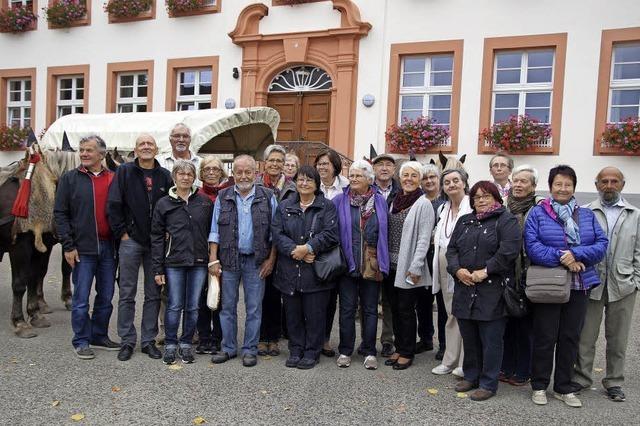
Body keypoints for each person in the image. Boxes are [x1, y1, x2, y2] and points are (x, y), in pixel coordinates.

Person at [524, 165, 607, 408]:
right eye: (558, 184)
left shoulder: (587, 215)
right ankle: (539, 385)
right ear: (550, 187)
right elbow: (532, 246)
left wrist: (575, 254)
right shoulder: (538, 214)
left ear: (573, 187)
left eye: (567, 184)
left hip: (579, 286)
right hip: (549, 285)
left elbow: (602, 244)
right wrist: (564, 258)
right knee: (544, 336)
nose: (563, 188)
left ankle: (563, 387)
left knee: (570, 337)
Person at [446, 181, 521, 401]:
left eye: (486, 196)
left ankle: (488, 383)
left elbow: (509, 250)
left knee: (491, 340)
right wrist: (457, 269)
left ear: (496, 198)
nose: (481, 200)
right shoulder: (465, 221)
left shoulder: (505, 220)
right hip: (465, 288)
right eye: (477, 197)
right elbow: (452, 250)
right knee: (469, 337)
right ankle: (472, 376)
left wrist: (486, 271)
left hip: (492, 290)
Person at [573, 167, 639, 402]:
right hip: (592, 283)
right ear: (597, 184)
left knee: (618, 338)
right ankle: (581, 378)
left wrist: (635, 281)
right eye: (604, 181)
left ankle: (614, 381)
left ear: (622, 184)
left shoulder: (635, 214)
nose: (609, 185)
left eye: (614, 181)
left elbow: (639, 252)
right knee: (586, 336)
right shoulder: (585, 212)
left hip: (623, 285)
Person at [107, 134, 173, 362]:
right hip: (131, 241)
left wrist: (167, 232)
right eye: (142, 144)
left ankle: (148, 340)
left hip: (155, 243)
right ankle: (127, 340)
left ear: (156, 149)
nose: (146, 147)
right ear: (135, 149)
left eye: (150, 144)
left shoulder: (165, 176)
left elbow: (172, 207)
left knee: (153, 293)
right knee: (126, 293)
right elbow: (113, 204)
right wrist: (122, 234)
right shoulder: (124, 172)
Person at [209, 155, 278, 368]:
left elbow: (276, 232)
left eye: (248, 171)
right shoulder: (223, 195)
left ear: (255, 173)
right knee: (227, 306)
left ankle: (250, 349)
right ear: (233, 174)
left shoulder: (268, 196)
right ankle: (228, 348)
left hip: (257, 260)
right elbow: (214, 230)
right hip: (229, 259)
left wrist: (271, 260)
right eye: (239, 172)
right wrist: (213, 259)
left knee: (254, 307)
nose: (243, 176)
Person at [54, 135, 117, 360]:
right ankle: (81, 340)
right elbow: (60, 214)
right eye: (81, 150)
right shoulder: (70, 179)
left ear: (101, 154)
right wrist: (68, 246)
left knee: (106, 295)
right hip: (82, 248)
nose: (83, 154)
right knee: (81, 299)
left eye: (89, 150)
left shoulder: (114, 178)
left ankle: (99, 335)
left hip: (109, 247)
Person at [271, 165, 339, 369]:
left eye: (309, 180)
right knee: (292, 314)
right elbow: (277, 233)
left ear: (316, 184)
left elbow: (331, 234)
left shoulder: (326, 206)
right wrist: (295, 250)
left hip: (315, 271)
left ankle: (312, 351)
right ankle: (296, 349)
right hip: (289, 269)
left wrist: (309, 247)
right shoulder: (284, 206)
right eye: (300, 179)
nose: (304, 183)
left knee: (315, 315)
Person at [151, 160, 213, 364]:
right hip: (174, 261)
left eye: (189, 174)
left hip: (199, 261)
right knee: (174, 304)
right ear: (174, 177)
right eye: (181, 174)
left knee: (193, 306)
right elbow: (157, 237)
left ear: (194, 177)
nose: (185, 177)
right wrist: (158, 268)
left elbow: (212, 232)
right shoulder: (164, 203)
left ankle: (186, 343)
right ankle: (170, 344)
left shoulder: (204, 202)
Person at [333, 159, 389, 370]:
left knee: (370, 309)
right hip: (347, 262)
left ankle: (369, 351)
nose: (354, 179)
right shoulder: (340, 200)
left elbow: (385, 232)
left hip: (371, 262)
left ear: (369, 179)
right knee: (347, 309)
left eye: (359, 176)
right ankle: (346, 350)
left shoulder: (380, 201)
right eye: (352, 175)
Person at [383, 161, 434, 370]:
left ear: (420, 179)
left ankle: (407, 351)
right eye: (406, 175)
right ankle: (399, 347)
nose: (409, 179)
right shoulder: (394, 199)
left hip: (408, 266)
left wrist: (416, 267)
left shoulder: (424, 204)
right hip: (391, 265)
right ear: (400, 177)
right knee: (394, 308)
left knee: (406, 309)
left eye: (414, 175)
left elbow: (424, 239)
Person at [500, 165, 543, 386]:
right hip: (506, 273)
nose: (518, 185)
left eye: (523, 181)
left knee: (526, 326)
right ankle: (506, 366)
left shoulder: (540, 208)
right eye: (515, 180)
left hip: (529, 274)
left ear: (533, 186)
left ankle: (523, 370)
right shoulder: (504, 207)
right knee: (507, 323)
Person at [256, 144, 297, 357]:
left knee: (276, 294)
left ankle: (273, 338)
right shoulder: (255, 184)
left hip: (283, 248)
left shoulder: (292, 187)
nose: (275, 164)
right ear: (265, 162)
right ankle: (261, 337)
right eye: (271, 160)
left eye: (279, 161)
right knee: (259, 295)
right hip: (259, 246)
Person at [431, 168, 472, 377]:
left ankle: (466, 363)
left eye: (456, 180)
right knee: (450, 313)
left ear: (464, 183)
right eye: (447, 182)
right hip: (444, 265)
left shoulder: (472, 206)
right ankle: (450, 359)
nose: (452, 185)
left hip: (465, 266)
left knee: (466, 314)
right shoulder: (442, 208)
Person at [194, 157, 233, 355]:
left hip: (224, 253)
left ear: (221, 172)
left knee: (220, 296)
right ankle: (203, 337)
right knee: (202, 297)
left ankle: (218, 337)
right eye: (206, 169)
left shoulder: (227, 195)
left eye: (215, 169)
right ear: (201, 173)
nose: (211, 172)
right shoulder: (195, 195)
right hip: (200, 253)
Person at [314, 149, 349, 357]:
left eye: (326, 164)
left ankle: (325, 339)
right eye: (319, 163)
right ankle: (314, 338)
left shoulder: (346, 187)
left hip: (339, 250)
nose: (322, 167)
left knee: (332, 298)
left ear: (335, 166)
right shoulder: (311, 184)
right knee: (316, 298)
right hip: (314, 248)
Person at [372, 153, 400, 357]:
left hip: (392, 252)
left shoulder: (400, 191)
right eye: (380, 164)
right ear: (373, 169)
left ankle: (388, 340)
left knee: (389, 300)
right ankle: (367, 339)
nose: (384, 168)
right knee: (369, 299)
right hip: (370, 251)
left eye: (388, 165)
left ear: (394, 170)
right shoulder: (367, 189)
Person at [418, 163, 447, 359]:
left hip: (440, 256)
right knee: (422, 301)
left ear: (439, 180)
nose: (429, 181)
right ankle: (426, 338)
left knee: (443, 302)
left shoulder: (445, 202)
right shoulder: (418, 201)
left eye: (433, 178)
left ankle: (444, 344)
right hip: (422, 256)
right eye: (425, 178)